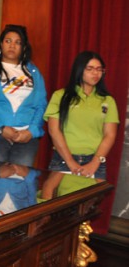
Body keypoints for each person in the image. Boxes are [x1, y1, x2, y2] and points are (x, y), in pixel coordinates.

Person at [41, 52, 118, 198]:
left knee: (96, 198)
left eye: (99, 69)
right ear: (79, 69)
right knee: (48, 192)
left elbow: (110, 134)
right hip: (64, 156)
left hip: (95, 158)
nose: (95, 73)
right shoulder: (60, 96)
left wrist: (95, 162)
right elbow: (54, 130)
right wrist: (70, 161)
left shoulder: (108, 100)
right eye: (90, 69)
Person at [0, 25, 47, 166]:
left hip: (25, 137)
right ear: (1, 44)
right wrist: (1, 128)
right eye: (8, 41)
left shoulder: (34, 72)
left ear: (23, 47)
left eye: (17, 42)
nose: (12, 45)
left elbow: (41, 105)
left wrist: (31, 131)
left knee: (19, 181)